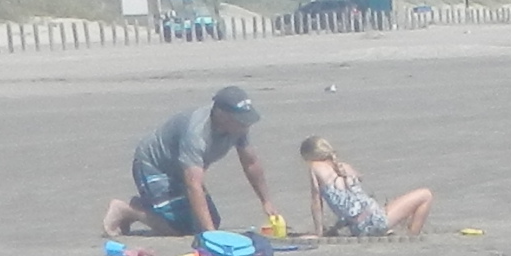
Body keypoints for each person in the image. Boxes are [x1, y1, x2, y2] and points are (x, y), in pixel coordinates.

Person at [106, 86, 273, 240]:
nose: (246, 124)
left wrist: (266, 201)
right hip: (154, 166)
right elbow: (193, 185)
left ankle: (149, 208)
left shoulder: (238, 128)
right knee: (179, 228)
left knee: (210, 220)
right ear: (221, 114)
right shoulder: (197, 133)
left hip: (183, 169)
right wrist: (210, 235)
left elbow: (251, 163)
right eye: (241, 119)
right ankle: (129, 210)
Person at [301, 133, 432, 238]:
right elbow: (359, 181)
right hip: (376, 219)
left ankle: (406, 234)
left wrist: (318, 232)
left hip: (358, 227)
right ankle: (412, 236)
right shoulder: (344, 167)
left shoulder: (315, 167)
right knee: (426, 195)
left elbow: (316, 202)